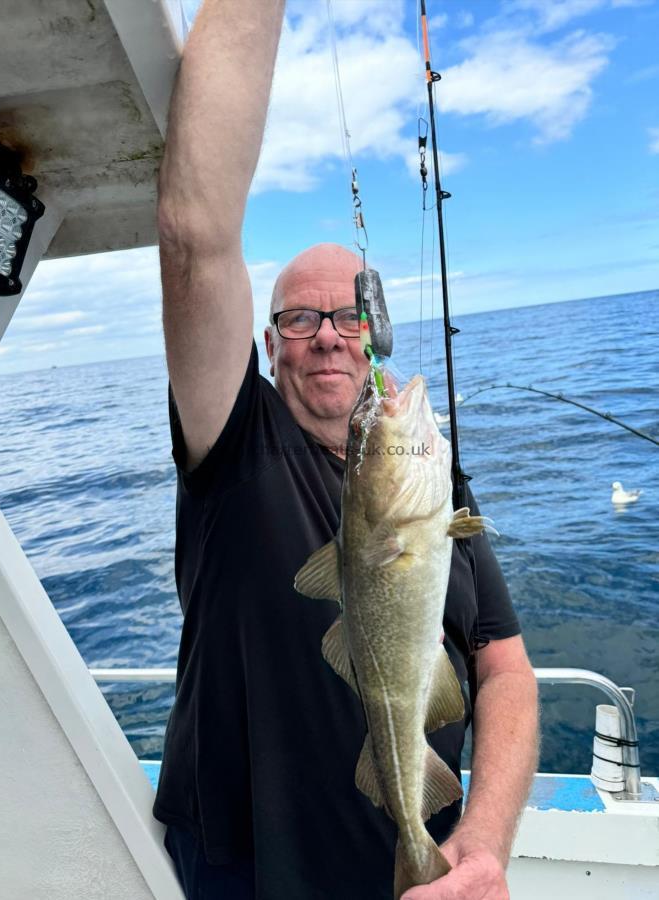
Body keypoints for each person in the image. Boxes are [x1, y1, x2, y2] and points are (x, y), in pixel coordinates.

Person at [153, 2, 539, 899]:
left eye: (348, 315)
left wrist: (480, 842)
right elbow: (194, 237)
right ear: (270, 339)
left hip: (425, 860)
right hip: (250, 871)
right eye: (298, 317)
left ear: (376, 335)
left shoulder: (432, 484)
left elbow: (502, 664)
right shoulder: (235, 446)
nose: (327, 335)